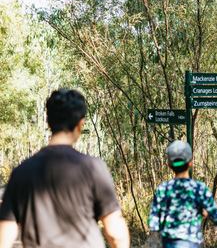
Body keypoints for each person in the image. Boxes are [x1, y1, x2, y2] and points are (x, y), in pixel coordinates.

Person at [0, 89, 130, 248]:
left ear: (48, 122)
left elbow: (5, 233)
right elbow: (114, 232)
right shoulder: (93, 168)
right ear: (80, 124)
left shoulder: (21, 172)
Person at [148, 140, 217, 248]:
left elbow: (153, 224)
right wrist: (204, 212)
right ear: (191, 163)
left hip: (168, 244)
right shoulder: (199, 188)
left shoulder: (162, 189)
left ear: (169, 165)